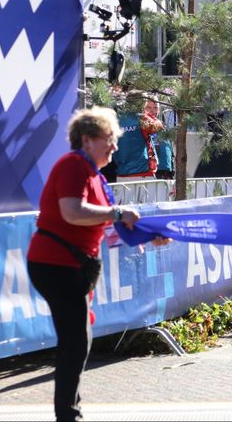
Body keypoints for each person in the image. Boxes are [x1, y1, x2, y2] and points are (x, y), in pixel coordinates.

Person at [26, 107, 168, 421]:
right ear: (88, 140)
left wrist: (147, 236)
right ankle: (68, 414)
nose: (115, 147)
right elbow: (73, 212)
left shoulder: (94, 174)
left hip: (72, 266)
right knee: (76, 342)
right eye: (109, 139)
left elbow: (106, 228)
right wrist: (117, 213)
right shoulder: (73, 166)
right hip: (56, 263)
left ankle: (69, 411)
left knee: (77, 340)